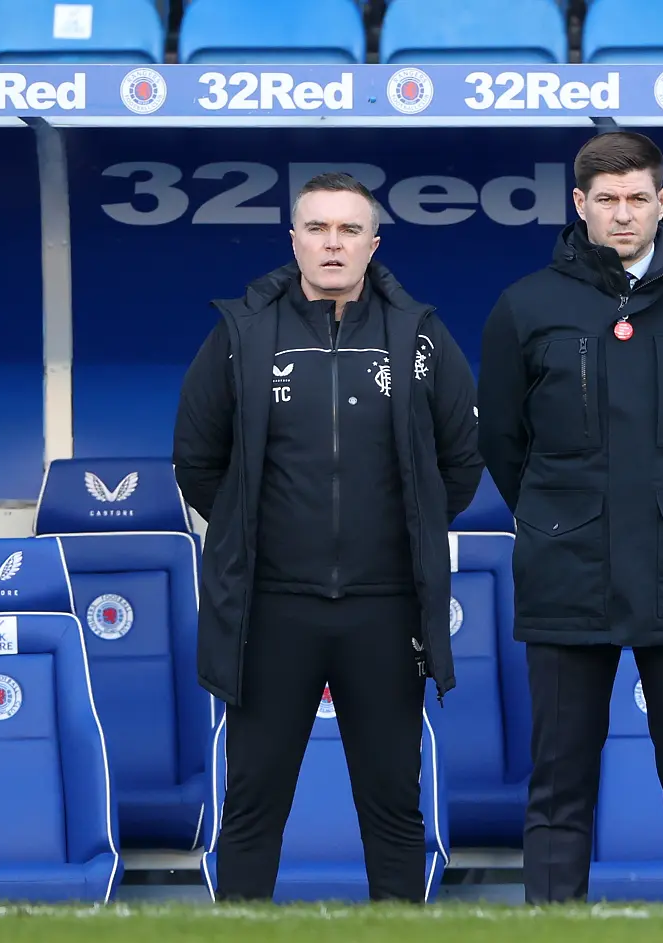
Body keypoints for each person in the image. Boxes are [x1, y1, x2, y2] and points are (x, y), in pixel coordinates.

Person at [172, 171, 483, 902]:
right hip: (272, 607)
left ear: (373, 243)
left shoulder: (419, 335)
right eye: (318, 228)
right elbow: (197, 461)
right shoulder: (242, 332)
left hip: (384, 608)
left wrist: (398, 537)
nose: (333, 243)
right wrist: (262, 534)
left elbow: (461, 463)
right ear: (294, 239)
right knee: (252, 806)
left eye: (350, 230)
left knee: (394, 809)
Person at [476, 130, 663, 904]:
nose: (623, 215)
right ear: (579, 205)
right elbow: (505, 444)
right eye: (606, 200)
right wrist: (559, 520)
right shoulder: (526, 306)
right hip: (566, 576)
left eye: (638, 199)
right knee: (558, 788)